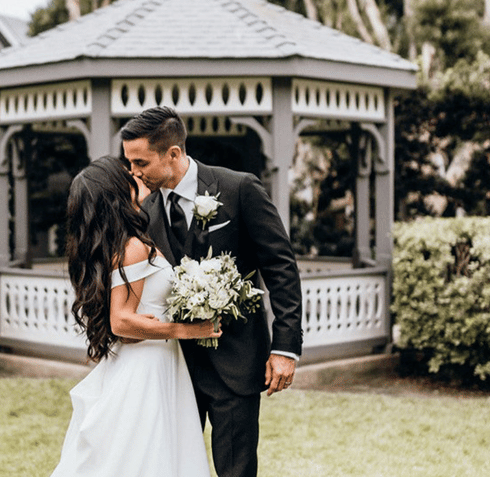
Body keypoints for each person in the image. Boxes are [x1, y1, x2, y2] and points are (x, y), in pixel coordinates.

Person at [121, 106, 303, 477]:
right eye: (129, 162)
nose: (133, 172)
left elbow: (280, 266)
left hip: (235, 360)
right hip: (170, 366)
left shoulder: (238, 188)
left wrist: (285, 347)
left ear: (173, 153)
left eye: (140, 162)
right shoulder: (144, 210)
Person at [50, 155, 221, 477]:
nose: (136, 174)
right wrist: (190, 329)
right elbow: (121, 321)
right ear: (116, 190)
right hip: (146, 367)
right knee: (145, 456)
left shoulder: (120, 243)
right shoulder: (133, 247)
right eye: (126, 173)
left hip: (145, 359)